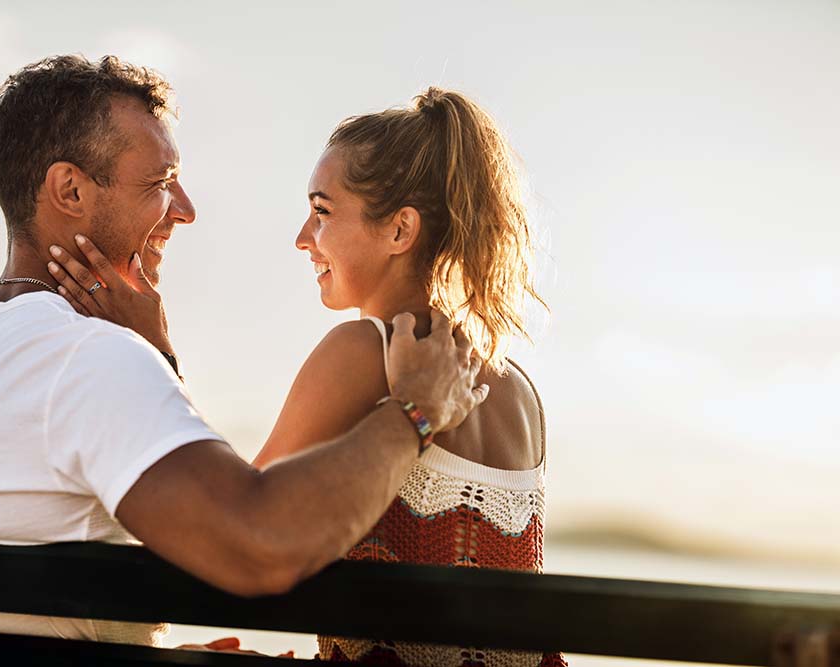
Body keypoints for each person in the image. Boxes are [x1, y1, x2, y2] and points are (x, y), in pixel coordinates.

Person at [0, 55, 487, 647]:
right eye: (162, 182)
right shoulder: (88, 356)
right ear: (69, 192)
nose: (185, 210)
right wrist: (415, 412)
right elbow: (260, 543)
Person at [53, 88, 566, 666]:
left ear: (400, 231)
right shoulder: (519, 389)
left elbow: (220, 531)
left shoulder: (362, 352)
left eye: (322, 212)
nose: (303, 237)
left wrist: (157, 352)